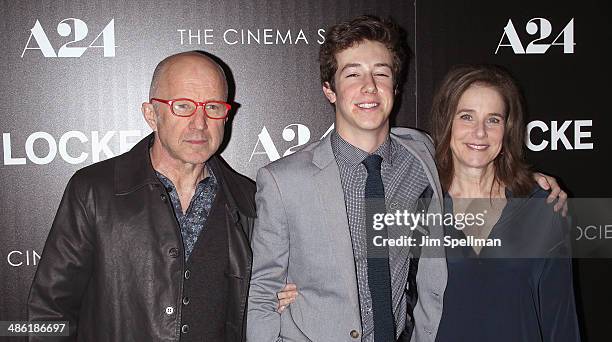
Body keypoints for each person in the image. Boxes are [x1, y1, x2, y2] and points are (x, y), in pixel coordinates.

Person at [248, 16, 565, 342]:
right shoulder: (283, 181)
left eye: (381, 73)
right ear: (329, 90)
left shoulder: (422, 155)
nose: (369, 86)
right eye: (353, 73)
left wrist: (531, 183)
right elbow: (262, 291)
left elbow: (475, 158)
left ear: (395, 87)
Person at [28, 51, 256, 341]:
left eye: (213, 107)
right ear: (151, 114)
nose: (200, 123)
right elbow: (49, 312)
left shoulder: (248, 200)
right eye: (183, 106)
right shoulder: (93, 191)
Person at [430, 64, 580, 341]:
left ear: (508, 128)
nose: (479, 132)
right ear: (446, 121)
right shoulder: (418, 205)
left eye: (493, 120)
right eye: (466, 116)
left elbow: (559, 317)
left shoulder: (542, 207)